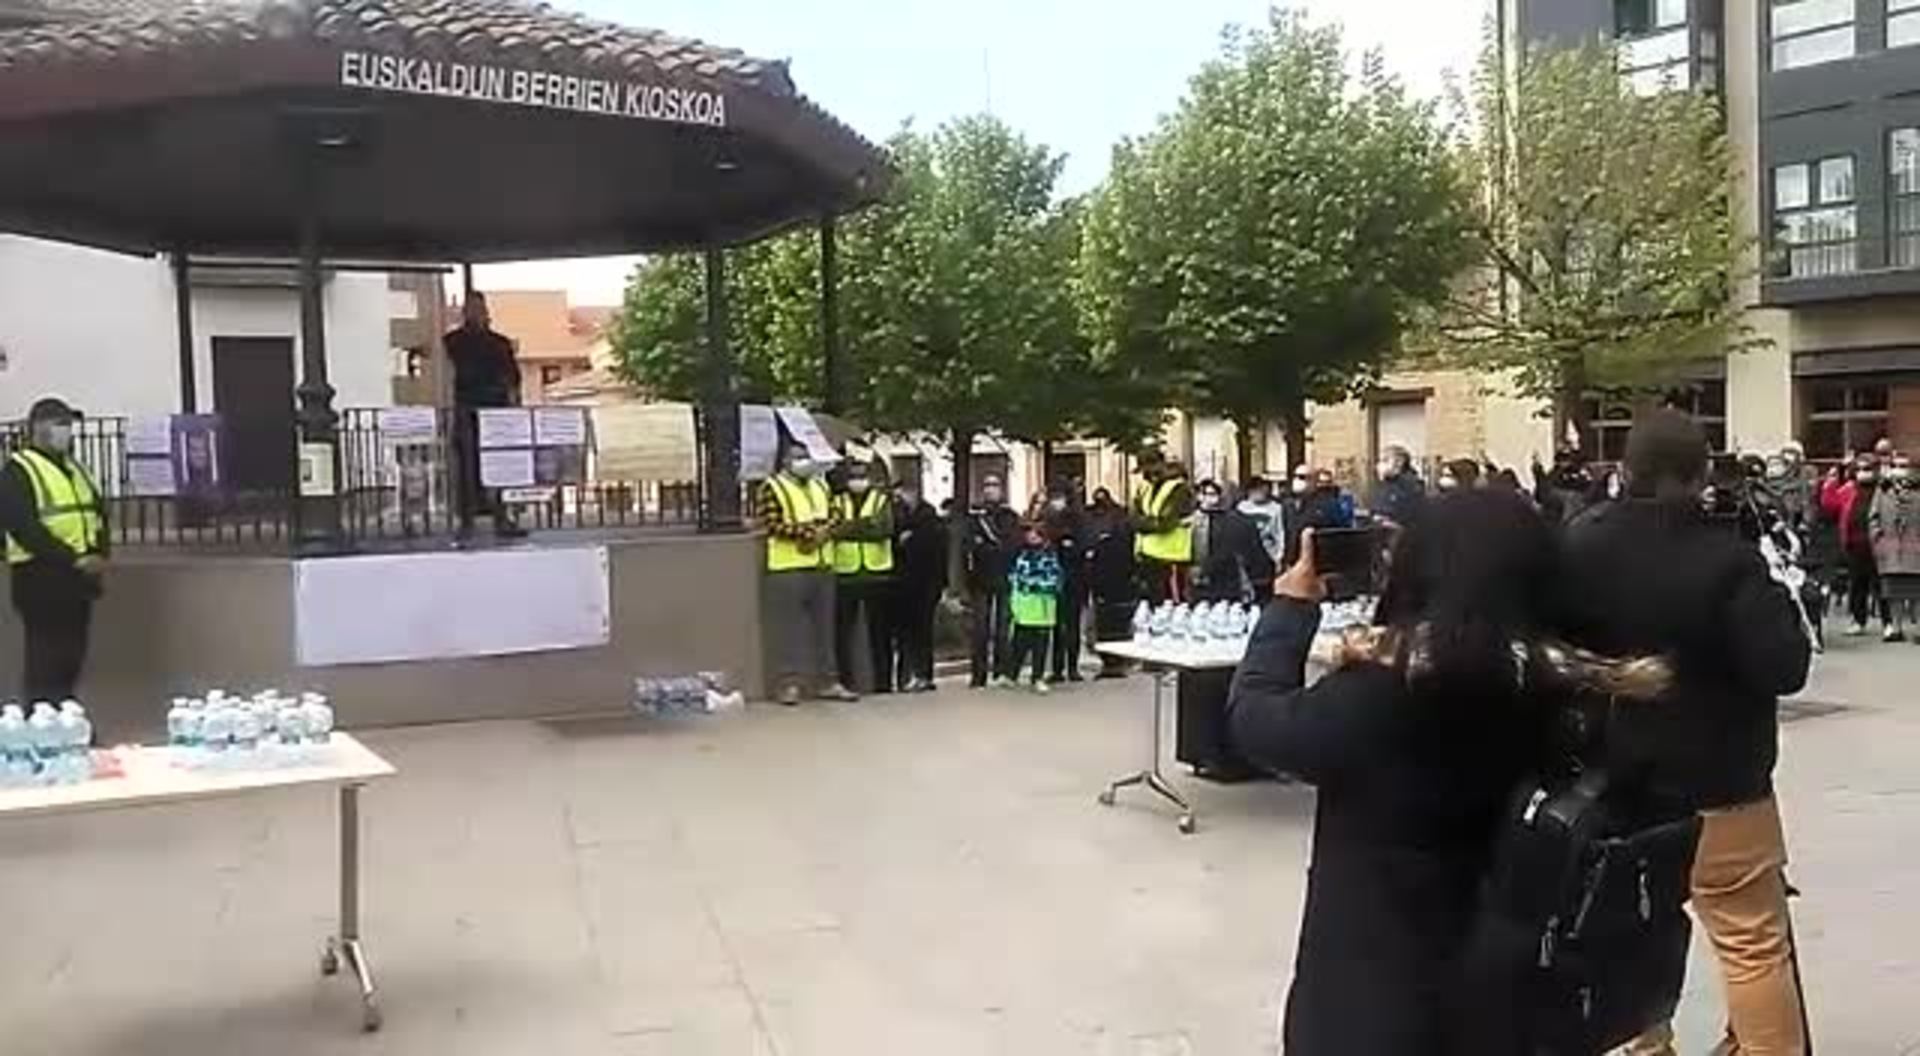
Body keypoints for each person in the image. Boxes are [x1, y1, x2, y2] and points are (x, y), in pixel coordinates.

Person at [1228, 490, 1658, 1055]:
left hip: (1373, 998)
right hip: (1520, 989)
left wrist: (1289, 611)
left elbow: (1256, 721)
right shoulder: (1573, 691)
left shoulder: (1381, 694)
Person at [1559, 410, 1814, 1056]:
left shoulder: (1580, 547)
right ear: (1701, 476)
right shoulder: (1728, 560)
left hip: (1615, 780)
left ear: (1626, 470)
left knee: (1628, 929)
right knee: (1751, 938)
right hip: (1722, 782)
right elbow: (1784, 667)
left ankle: (1647, 1048)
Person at [0, 398, 107, 703]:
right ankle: (41, 718)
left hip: (79, 581)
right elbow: (24, 527)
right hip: (41, 579)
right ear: (38, 428)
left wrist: (99, 554)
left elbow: (97, 514)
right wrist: (73, 558)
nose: (67, 431)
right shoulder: (19, 470)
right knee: (45, 662)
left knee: (71, 659)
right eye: (60, 424)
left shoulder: (75, 468)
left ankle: (64, 716)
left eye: (68, 425)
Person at [758, 445, 855, 706]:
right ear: (785, 462)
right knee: (787, 630)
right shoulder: (773, 487)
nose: (805, 462)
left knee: (825, 629)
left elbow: (836, 514)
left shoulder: (820, 485)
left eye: (807, 457)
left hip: (822, 565)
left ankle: (828, 682)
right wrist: (810, 534)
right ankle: (787, 684)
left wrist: (825, 531)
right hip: (787, 567)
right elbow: (772, 523)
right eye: (798, 458)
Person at [444, 292, 526, 540]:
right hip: (466, 413)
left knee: (499, 466)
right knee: (466, 470)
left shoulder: (499, 344)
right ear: (464, 312)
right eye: (470, 309)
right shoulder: (452, 342)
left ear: (486, 311)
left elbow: (513, 379)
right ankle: (466, 522)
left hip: (495, 415)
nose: (475, 313)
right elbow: (445, 371)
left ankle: (502, 518)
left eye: (478, 309)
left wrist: (513, 409)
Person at [830, 462, 894, 695]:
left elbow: (884, 530)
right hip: (846, 574)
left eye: (861, 476)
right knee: (842, 634)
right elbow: (833, 530)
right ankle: (847, 682)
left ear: (869, 478)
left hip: (877, 574)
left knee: (881, 633)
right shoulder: (837, 501)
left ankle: (883, 683)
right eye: (853, 477)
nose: (858, 481)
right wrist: (865, 525)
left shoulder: (881, 500)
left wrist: (849, 529)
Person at [1821, 453, 1892, 638]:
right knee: (1857, 585)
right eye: (1859, 469)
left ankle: (1889, 623)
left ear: (1875, 470)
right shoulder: (1849, 488)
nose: (1862, 472)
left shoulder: (1884, 489)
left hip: (1879, 544)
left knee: (1882, 585)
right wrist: (1831, 482)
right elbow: (1830, 506)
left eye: (1866, 469)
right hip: (1854, 544)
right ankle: (1858, 621)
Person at [964, 474, 1021, 688]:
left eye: (994, 485)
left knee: (1002, 629)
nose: (990, 489)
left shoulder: (1010, 517)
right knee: (980, 629)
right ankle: (978, 675)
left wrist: (990, 548)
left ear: (1001, 490)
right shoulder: (975, 518)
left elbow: (1013, 544)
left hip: (1005, 577)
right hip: (980, 579)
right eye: (987, 485)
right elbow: (970, 546)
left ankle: (1001, 671)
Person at [890, 481, 947, 692]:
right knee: (904, 633)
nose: (899, 499)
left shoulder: (930, 519)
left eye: (902, 495)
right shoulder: (895, 516)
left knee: (922, 631)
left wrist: (941, 584)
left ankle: (924, 674)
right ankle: (905, 676)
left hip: (926, 584)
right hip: (901, 584)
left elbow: (938, 553)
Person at [1188, 480, 1274, 604]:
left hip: (1199, 587)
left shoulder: (1191, 523)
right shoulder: (1244, 523)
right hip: (1233, 589)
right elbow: (1259, 564)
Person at [1005, 521, 1064, 694]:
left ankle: (1037, 677)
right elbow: (1014, 576)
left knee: (1040, 645)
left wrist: (1033, 585)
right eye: (1029, 534)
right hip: (1024, 606)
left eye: (1035, 535)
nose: (1031, 537)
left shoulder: (1049, 556)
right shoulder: (1021, 554)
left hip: (1043, 607)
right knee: (1019, 642)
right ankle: (1012, 674)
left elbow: (1054, 580)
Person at [1085, 487, 1136, 678]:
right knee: (1106, 624)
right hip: (1104, 579)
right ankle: (1110, 663)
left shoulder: (1119, 519)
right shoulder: (1090, 518)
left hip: (1117, 579)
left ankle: (1116, 663)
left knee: (1114, 623)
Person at [1040, 483, 1088, 683]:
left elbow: (1081, 546)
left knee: (1070, 624)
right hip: (1057, 577)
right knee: (1058, 625)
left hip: (1073, 578)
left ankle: (1071, 668)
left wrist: (1066, 542)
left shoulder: (1076, 519)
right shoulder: (1049, 518)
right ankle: (1059, 669)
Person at [1132, 455, 1194, 605]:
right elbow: (1133, 517)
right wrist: (1147, 522)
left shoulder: (1178, 488)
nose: (1146, 474)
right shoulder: (1145, 488)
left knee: (1174, 604)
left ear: (1161, 465)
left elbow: (1165, 523)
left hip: (1172, 556)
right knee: (1153, 604)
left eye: (1150, 469)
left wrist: (1143, 523)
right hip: (1148, 554)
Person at [1871, 452, 1920, 640]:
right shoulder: (1883, 490)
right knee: (1893, 592)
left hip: (1915, 546)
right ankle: (1896, 628)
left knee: (1917, 591)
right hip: (1891, 548)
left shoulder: (1918, 489)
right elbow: (1873, 516)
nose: (1900, 470)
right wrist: (1878, 539)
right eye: (1896, 466)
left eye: (1904, 466)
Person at [1369, 445, 1427, 528]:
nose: (1379, 465)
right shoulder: (1385, 483)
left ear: (1399, 462)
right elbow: (1376, 508)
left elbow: (1409, 516)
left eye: (1385, 461)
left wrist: (1387, 521)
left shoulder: (1411, 484)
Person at [1236, 475, 1287, 568]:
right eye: (1255, 488)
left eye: (1262, 488)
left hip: (1268, 553)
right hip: (1246, 554)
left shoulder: (1276, 508)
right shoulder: (1241, 507)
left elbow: (1280, 533)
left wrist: (1279, 557)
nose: (1259, 491)